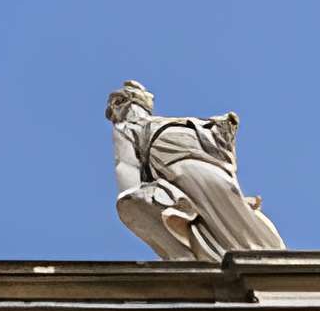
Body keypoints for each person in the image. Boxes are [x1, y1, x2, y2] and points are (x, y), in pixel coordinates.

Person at [107, 81, 281, 261]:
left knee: (228, 233)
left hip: (183, 172)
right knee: (240, 228)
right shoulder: (174, 125)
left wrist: (130, 201)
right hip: (212, 173)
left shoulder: (128, 127)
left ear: (121, 105)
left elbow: (126, 168)